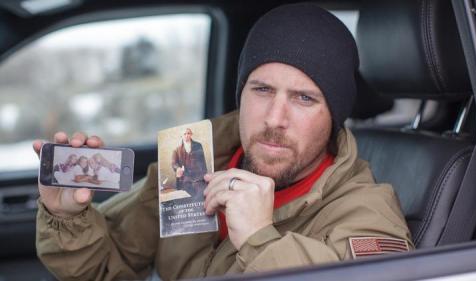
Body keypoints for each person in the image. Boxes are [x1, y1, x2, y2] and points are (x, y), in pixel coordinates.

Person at [33, 4, 413, 281]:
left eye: (304, 98)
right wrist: (68, 218)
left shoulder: (366, 210)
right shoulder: (190, 163)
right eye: (262, 90)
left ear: (333, 115)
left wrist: (260, 240)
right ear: (241, 94)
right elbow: (107, 269)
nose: (275, 119)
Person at [171, 128, 208, 197]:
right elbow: (174, 163)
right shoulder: (177, 150)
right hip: (185, 176)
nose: (186, 135)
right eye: (184, 134)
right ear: (181, 136)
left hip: (198, 175)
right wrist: (178, 168)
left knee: (201, 191)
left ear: (191, 135)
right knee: (188, 190)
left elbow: (202, 162)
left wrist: (204, 175)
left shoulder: (198, 145)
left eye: (188, 133)